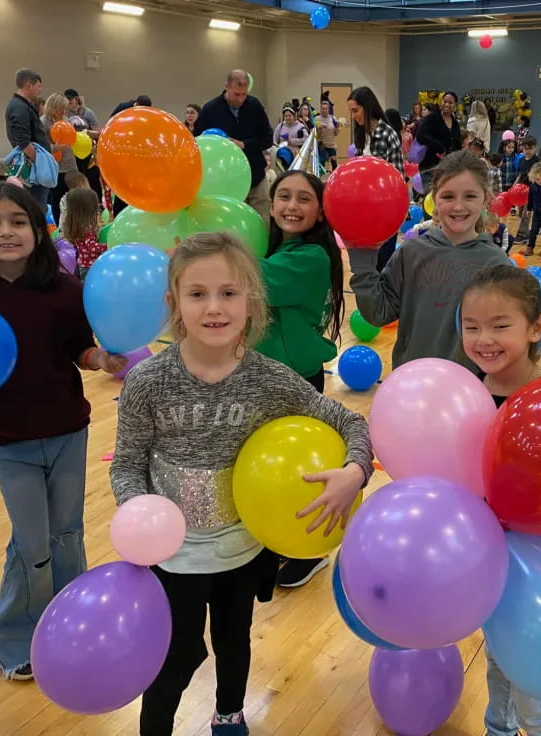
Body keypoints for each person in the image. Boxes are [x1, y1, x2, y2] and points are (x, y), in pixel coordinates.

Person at [110, 232, 372, 736]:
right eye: (197, 294)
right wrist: (138, 513)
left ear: (250, 304)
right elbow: (126, 464)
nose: (214, 307)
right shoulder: (148, 382)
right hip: (171, 557)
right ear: (173, 304)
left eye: (229, 293)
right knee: (174, 657)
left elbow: (352, 423)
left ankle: (229, 715)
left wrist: (354, 472)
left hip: (242, 550)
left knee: (235, 640)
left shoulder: (270, 379)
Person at [0, 182, 126, 680]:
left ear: (37, 229)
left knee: (67, 534)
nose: (6, 231)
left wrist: (100, 358)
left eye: (18, 221)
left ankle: (69, 623)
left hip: (68, 429)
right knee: (32, 541)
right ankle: (12, 640)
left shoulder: (64, 289)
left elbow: (78, 349)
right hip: (10, 440)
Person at [458, 265, 541, 736]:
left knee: (533, 685)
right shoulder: (466, 398)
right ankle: (497, 727)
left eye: (500, 325)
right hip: (490, 562)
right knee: (497, 655)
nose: (483, 339)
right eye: (471, 326)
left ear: (536, 328)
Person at [250, 170, 348, 588]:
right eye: (283, 197)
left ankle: (309, 550)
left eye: (304, 198)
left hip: (297, 379)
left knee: (301, 472)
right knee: (267, 466)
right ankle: (271, 541)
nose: (292, 206)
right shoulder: (274, 249)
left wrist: (204, 250)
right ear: (270, 207)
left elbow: (259, 282)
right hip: (263, 374)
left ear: (321, 212)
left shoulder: (312, 257)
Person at [348, 150, 512, 371]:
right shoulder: (412, 252)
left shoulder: (497, 264)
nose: (458, 206)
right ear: (434, 199)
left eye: (470, 196)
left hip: (468, 394)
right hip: (410, 385)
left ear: (486, 199)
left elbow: (506, 339)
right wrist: (362, 258)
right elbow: (378, 312)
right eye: (448, 196)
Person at [194, 70, 274, 226]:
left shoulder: (254, 106)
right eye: (236, 94)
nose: (241, 99)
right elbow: (198, 143)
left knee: (263, 221)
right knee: (233, 223)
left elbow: (268, 138)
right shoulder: (210, 110)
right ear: (226, 87)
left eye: (244, 94)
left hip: (256, 174)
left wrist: (244, 145)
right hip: (227, 179)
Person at [346, 87, 404, 272]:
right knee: (364, 267)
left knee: (382, 266)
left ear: (367, 107)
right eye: (351, 112)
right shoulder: (361, 135)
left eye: (356, 110)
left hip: (384, 213)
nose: (353, 116)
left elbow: (397, 178)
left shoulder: (387, 134)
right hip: (363, 211)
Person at [4, 68, 51, 209]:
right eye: (38, 86)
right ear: (29, 85)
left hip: (33, 165)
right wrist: (41, 161)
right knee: (35, 207)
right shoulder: (19, 107)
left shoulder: (23, 106)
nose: (40, 90)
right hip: (32, 167)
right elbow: (23, 140)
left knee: (38, 205)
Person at [40, 93, 80, 224]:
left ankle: (73, 225)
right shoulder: (44, 122)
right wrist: (55, 148)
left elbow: (71, 137)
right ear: (54, 107)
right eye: (63, 107)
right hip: (55, 167)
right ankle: (60, 227)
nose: (65, 110)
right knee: (57, 198)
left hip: (70, 165)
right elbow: (40, 146)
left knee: (73, 198)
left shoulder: (65, 119)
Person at [416, 91, 462, 191]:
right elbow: (421, 135)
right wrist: (439, 146)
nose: (447, 104)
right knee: (430, 199)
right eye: (445, 101)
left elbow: (457, 145)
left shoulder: (455, 124)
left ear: (455, 105)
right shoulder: (432, 118)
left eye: (450, 102)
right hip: (429, 166)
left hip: (447, 169)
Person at [62, 188, 104, 280]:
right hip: (90, 266)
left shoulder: (77, 224)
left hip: (83, 265)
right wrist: (108, 246)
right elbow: (92, 247)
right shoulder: (87, 228)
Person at [315, 100, 340, 172]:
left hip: (331, 144)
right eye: (323, 108)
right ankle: (322, 179)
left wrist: (337, 127)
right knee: (322, 163)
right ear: (320, 109)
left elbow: (336, 133)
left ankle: (335, 177)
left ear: (329, 109)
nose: (324, 110)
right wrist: (320, 129)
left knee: (334, 162)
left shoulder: (333, 118)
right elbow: (317, 135)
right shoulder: (317, 119)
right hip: (322, 144)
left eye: (326, 109)